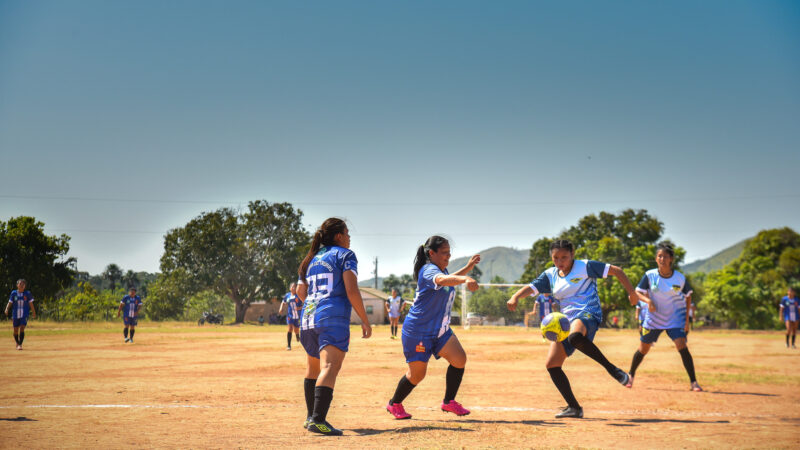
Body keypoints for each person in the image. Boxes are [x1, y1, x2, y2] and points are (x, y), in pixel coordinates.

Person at [507, 239, 638, 419]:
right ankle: (574, 408)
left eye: (564, 257)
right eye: (556, 258)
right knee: (552, 365)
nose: (560, 262)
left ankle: (612, 370)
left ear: (572, 254)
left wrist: (632, 292)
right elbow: (531, 287)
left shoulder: (585, 266)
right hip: (565, 322)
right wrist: (515, 297)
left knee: (575, 336)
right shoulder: (551, 275)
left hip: (589, 312)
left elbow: (617, 271)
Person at [386, 236, 480, 420]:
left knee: (459, 359)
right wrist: (466, 278)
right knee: (417, 375)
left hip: (439, 329)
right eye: (444, 252)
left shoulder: (440, 269)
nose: (448, 255)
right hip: (418, 331)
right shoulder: (429, 270)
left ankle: (448, 402)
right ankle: (394, 403)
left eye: (449, 252)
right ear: (431, 253)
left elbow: (447, 277)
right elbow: (443, 280)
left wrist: (467, 269)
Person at [296, 218, 372, 436]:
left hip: (308, 318)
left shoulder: (310, 259)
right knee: (330, 367)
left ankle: (311, 417)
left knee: (313, 369)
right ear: (339, 236)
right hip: (332, 317)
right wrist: (365, 320)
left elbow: (300, 293)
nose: (349, 238)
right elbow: (352, 289)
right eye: (347, 233)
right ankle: (318, 420)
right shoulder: (345, 255)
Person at [627, 242, 702, 392]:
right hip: (653, 319)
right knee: (643, 349)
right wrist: (648, 301)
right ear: (656, 259)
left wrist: (686, 321)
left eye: (665, 257)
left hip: (675, 319)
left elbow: (688, 297)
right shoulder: (649, 275)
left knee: (682, 345)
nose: (662, 259)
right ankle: (630, 375)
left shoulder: (680, 278)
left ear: (671, 260)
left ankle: (694, 382)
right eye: (659, 256)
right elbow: (637, 293)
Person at [6, 279, 36, 350]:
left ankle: (20, 344)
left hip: (24, 314)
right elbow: (10, 302)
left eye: (23, 284)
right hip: (15, 314)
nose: (22, 285)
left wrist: (34, 312)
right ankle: (17, 342)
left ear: (25, 286)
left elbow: (31, 304)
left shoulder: (27, 293)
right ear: (17, 285)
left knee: (22, 327)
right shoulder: (13, 293)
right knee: (15, 330)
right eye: (20, 284)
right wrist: (7, 309)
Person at [279, 283, 302, 350]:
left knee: (296, 330)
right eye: (292, 287)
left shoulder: (298, 296)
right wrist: (281, 308)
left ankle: (297, 336)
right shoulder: (287, 295)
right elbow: (283, 302)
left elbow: (303, 305)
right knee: (290, 329)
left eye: (295, 287)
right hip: (290, 315)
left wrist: (299, 308)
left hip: (297, 316)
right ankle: (289, 345)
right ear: (290, 288)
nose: (294, 288)